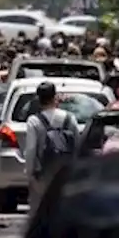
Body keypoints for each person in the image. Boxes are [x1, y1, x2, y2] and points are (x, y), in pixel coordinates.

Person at [24, 82, 80, 214]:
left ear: (39, 99)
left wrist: (30, 173)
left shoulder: (34, 121)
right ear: (54, 97)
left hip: (43, 175)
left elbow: (31, 149)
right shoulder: (69, 118)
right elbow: (77, 144)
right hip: (65, 173)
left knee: (40, 211)